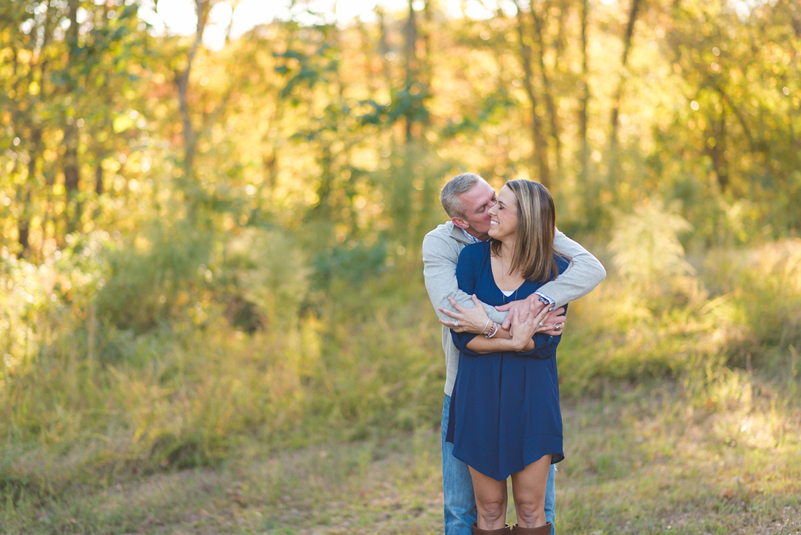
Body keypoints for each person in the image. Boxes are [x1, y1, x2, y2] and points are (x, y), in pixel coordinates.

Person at [422, 173, 605, 535]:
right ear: (461, 220)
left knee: (534, 507)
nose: (492, 209)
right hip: (471, 386)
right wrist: (513, 332)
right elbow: (458, 321)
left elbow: (546, 336)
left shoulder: (550, 261)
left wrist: (537, 300)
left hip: (531, 395)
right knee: (469, 510)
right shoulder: (458, 252)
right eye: (485, 207)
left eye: (496, 201)